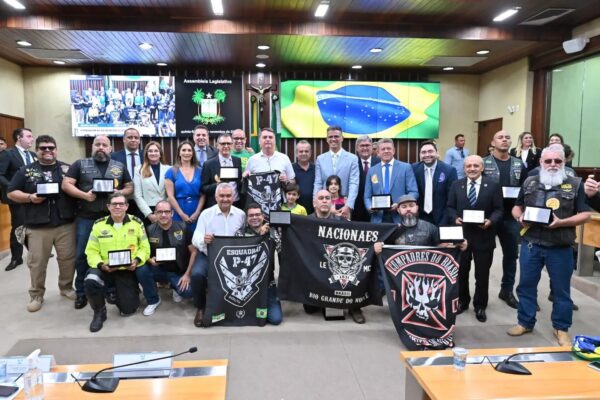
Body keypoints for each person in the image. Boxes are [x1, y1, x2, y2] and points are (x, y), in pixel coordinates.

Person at [508, 146, 590, 346]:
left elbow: (585, 215)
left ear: (564, 162)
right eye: (548, 161)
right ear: (541, 162)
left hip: (560, 247)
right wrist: (520, 218)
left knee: (561, 291)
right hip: (531, 244)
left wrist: (561, 222)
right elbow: (517, 207)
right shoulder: (529, 182)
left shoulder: (575, 184)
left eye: (557, 161)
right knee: (526, 286)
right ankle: (525, 322)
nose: (553, 164)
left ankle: (561, 328)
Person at [62, 135, 133, 309]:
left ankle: (110, 289)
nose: (101, 147)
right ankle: (81, 292)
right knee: (82, 256)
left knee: (112, 254)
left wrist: (119, 193)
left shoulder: (119, 166)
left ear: (110, 149)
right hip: (86, 217)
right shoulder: (80, 164)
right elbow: (66, 184)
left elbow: (130, 186)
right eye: (97, 144)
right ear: (92, 146)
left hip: (111, 219)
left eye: (104, 145)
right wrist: (84, 195)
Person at [7, 135, 76, 312]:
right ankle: (36, 295)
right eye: (43, 148)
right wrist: (30, 197)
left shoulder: (67, 169)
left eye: (51, 148)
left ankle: (66, 287)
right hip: (37, 226)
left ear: (56, 150)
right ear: (36, 150)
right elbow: (11, 192)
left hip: (65, 224)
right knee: (37, 263)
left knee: (68, 260)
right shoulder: (25, 171)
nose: (47, 151)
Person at [84, 193, 158, 332]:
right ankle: (99, 312)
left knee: (128, 309)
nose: (117, 207)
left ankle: (122, 291)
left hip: (127, 270)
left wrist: (137, 261)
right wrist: (101, 265)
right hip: (105, 268)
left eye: (121, 204)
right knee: (91, 280)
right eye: (114, 204)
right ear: (108, 206)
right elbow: (91, 251)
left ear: (126, 206)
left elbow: (145, 248)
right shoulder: (99, 225)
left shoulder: (136, 223)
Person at [447, 155, 503, 323]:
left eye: (476, 166)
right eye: (468, 166)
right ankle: (462, 301)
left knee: (482, 274)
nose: (472, 169)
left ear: (482, 168)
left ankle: (480, 305)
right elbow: (450, 207)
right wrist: (454, 218)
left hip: (484, 236)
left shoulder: (493, 185)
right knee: (461, 272)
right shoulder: (456, 185)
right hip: (462, 237)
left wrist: (490, 221)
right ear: (464, 168)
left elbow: (499, 209)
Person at [190, 184, 246, 327]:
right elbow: (195, 238)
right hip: (208, 255)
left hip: (233, 258)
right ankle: (201, 307)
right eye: (222, 196)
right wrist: (203, 239)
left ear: (233, 197)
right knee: (197, 274)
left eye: (228, 196)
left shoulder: (241, 215)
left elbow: (246, 235)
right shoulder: (206, 214)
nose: (225, 199)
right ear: (216, 197)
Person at [308, 189, 365, 324]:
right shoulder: (306, 222)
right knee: (310, 308)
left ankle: (354, 306)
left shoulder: (342, 222)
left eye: (327, 198)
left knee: (354, 267)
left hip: (337, 264)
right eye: (321, 198)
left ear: (331, 202)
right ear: (314, 203)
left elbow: (358, 241)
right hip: (316, 265)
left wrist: (375, 245)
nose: (324, 201)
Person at [483, 130, 525, 310]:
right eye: (500, 137)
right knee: (485, 255)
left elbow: (525, 187)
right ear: (493, 142)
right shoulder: (483, 163)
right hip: (489, 216)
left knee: (511, 255)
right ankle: (481, 294)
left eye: (508, 137)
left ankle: (507, 290)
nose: (504, 140)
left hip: (510, 216)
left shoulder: (518, 163)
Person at [235, 203, 282, 325]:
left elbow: (282, 251)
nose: (254, 217)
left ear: (263, 216)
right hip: (247, 284)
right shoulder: (239, 234)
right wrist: (259, 237)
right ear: (247, 218)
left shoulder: (272, 231)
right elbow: (240, 258)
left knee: (276, 319)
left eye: (257, 214)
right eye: (251, 215)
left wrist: (268, 235)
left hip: (268, 283)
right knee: (247, 316)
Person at [373, 194, 467, 251]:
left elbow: (442, 246)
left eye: (411, 205)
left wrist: (458, 244)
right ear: (398, 210)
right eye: (404, 207)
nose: (408, 209)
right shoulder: (393, 230)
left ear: (417, 208)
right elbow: (384, 250)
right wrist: (377, 248)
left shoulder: (430, 227)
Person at [146, 200, 196, 303]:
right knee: (142, 271)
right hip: (159, 269)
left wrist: (187, 274)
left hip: (178, 270)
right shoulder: (149, 230)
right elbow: (143, 251)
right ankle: (154, 296)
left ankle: (173, 285)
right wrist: (150, 259)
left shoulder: (183, 227)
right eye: (160, 212)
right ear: (155, 213)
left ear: (172, 213)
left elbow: (194, 252)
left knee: (189, 292)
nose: (163, 215)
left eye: (167, 211)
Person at [0, 128, 36, 271]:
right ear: (19, 138)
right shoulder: (8, 154)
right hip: (17, 198)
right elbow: (0, 174)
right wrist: (13, 187)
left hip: (34, 197)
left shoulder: (33, 155)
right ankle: (16, 258)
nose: (32, 139)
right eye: (29, 136)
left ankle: (36, 251)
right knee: (18, 227)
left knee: (35, 225)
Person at [364, 138, 419, 223]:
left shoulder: (406, 168)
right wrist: (370, 207)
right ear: (378, 152)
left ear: (394, 151)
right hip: (378, 218)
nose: (386, 151)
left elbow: (414, 192)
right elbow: (367, 196)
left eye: (389, 148)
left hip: (400, 217)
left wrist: (400, 204)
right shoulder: (372, 171)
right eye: (383, 149)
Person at [313, 126, 358, 220]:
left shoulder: (352, 158)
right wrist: (315, 203)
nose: (333, 139)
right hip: (324, 205)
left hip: (344, 206)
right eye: (330, 137)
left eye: (336, 136)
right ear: (327, 139)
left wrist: (348, 205)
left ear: (342, 138)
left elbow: (354, 183)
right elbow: (318, 182)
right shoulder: (320, 159)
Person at [412, 141, 457, 226]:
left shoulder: (449, 170)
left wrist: (447, 219)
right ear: (420, 155)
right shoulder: (413, 169)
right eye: (423, 152)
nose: (427, 155)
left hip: (442, 218)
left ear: (437, 153)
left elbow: (452, 198)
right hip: (420, 218)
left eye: (430, 151)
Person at [165, 141, 205, 235]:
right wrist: (181, 214)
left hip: (196, 209)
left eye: (189, 150)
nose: (186, 153)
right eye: (184, 150)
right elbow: (170, 196)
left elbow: (203, 194)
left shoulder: (201, 171)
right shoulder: (171, 172)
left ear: (193, 153)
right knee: (179, 239)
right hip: (178, 210)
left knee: (197, 238)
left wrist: (197, 212)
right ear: (179, 153)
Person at [201, 133, 243, 209]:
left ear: (232, 145)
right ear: (217, 145)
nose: (226, 146)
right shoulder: (208, 164)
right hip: (217, 205)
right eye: (223, 144)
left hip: (236, 203)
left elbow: (239, 182)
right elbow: (203, 188)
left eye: (228, 143)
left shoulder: (237, 161)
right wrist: (218, 185)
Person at [133, 141, 170, 225]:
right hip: (146, 210)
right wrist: (149, 215)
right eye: (150, 151)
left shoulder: (169, 169)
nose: (153, 153)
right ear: (146, 154)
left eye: (156, 151)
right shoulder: (138, 169)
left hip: (164, 210)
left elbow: (171, 193)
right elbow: (137, 195)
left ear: (160, 154)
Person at [111, 127, 144, 219]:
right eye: (130, 137)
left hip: (143, 199)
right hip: (122, 199)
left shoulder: (146, 155)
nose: (133, 140)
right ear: (124, 139)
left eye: (136, 138)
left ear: (139, 140)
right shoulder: (113, 157)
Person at [353, 135, 380, 222]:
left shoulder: (380, 162)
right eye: (362, 146)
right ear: (357, 148)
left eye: (367, 145)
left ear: (372, 147)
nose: (365, 148)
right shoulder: (352, 163)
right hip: (356, 208)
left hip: (376, 209)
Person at [292, 140, 315, 214]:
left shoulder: (316, 169)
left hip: (314, 211)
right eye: (301, 151)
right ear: (296, 153)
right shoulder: (291, 169)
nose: (304, 153)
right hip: (296, 211)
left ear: (310, 153)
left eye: (306, 151)